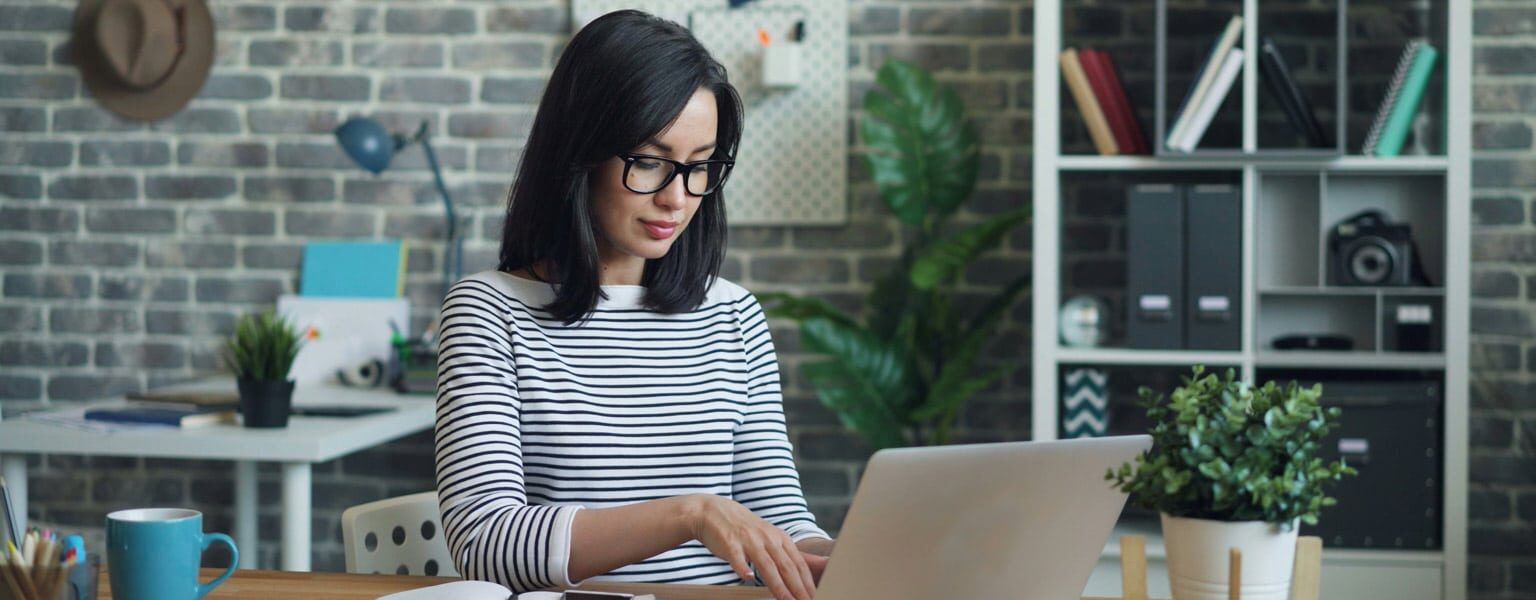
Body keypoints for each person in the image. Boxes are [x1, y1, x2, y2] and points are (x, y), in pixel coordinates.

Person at [432, 10, 834, 600]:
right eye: (649, 161)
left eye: (700, 167)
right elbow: (486, 540)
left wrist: (838, 555)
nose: (677, 197)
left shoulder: (734, 317)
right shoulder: (489, 311)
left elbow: (778, 519)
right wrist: (689, 515)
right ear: (581, 154)